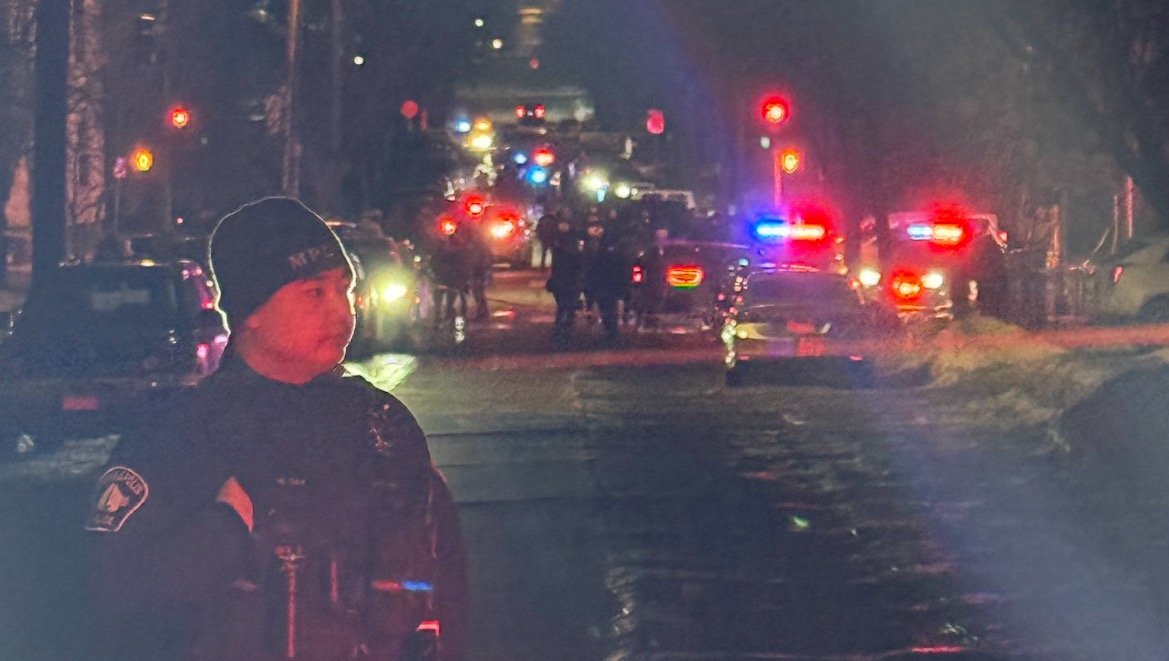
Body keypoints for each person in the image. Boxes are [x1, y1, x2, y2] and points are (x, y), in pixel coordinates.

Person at [84, 197, 467, 660]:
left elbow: (440, 585)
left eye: (344, 289)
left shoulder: (381, 427)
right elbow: (112, 595)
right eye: (313, 294)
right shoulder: (180, 434)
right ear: (251, 312)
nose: (341, 314)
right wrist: (223, 531)